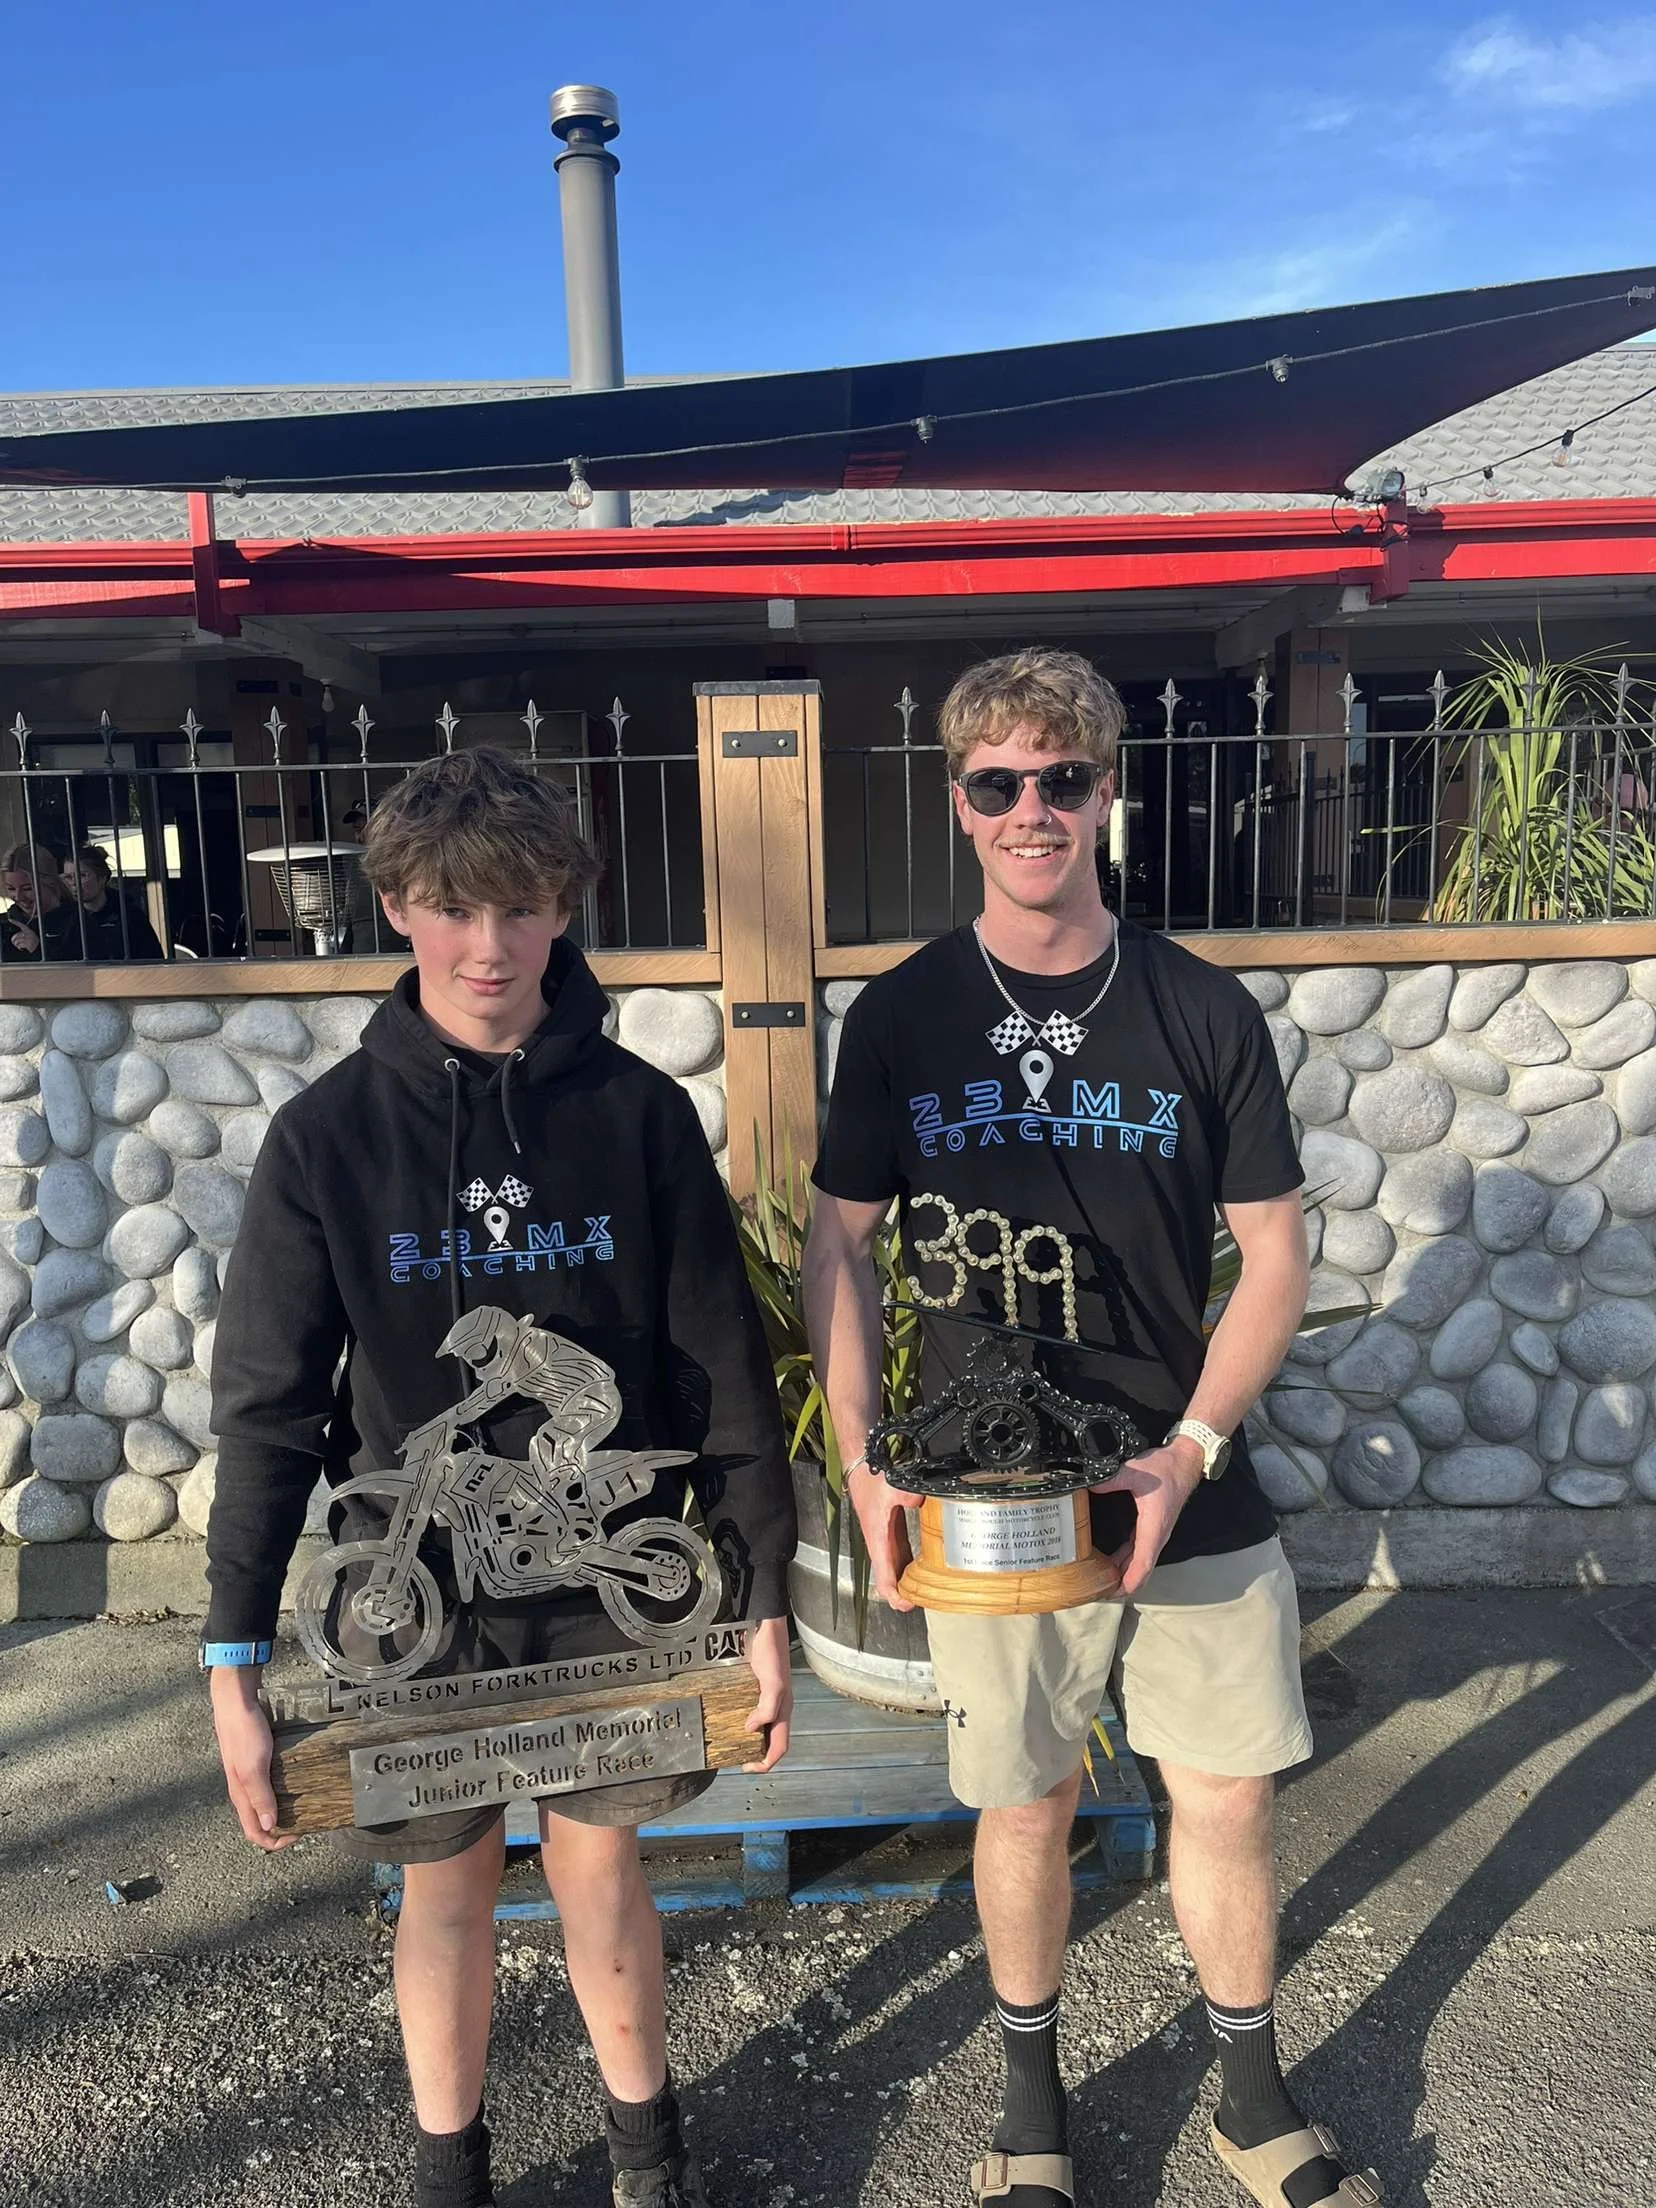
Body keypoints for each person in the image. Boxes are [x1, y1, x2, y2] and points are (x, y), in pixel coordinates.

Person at [804, 649, 1380, 2208]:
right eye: (998, 782)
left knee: (1230, 1789)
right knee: (1024, 1797)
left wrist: (1190, 1451)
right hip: (984, 1485)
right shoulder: (908, 1016)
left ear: (1108, 790)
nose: (1033, 810)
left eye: (1064, 778)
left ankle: (1250, 2097)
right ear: (958, 803)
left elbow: (1275, 1256)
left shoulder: (1196, 1007)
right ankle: (1030, 2114)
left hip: (1183, 1468)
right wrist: (863, 1462)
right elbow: (839, 1242)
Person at [203, 744, 796, 2208]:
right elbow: (271, 1408)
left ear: (562, 911)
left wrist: (764, 1593)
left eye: (523, 909)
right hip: (425, 1611)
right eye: (456, 910)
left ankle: (648, 2161)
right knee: (442, 1886)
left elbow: (720, 1362)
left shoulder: (643, 1116)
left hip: (602, 1579)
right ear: (399, 907)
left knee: (604, 1872)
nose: (490, 946)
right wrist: (233, 1649)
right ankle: (446, 2174)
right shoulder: (325, 1141)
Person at [61, 843, 166, 960]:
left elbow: (153, 959)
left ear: (102, 878)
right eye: (68, 877)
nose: (74, 883)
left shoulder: (129, 916)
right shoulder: (63, 918)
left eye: (82, 875)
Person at [0, 840, 80, 960]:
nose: (18, 896)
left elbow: (96, 974)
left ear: (51, 883)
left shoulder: (77, 922)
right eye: (11, 888)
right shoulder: (4, 924)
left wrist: (38, 949)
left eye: (27, 888)